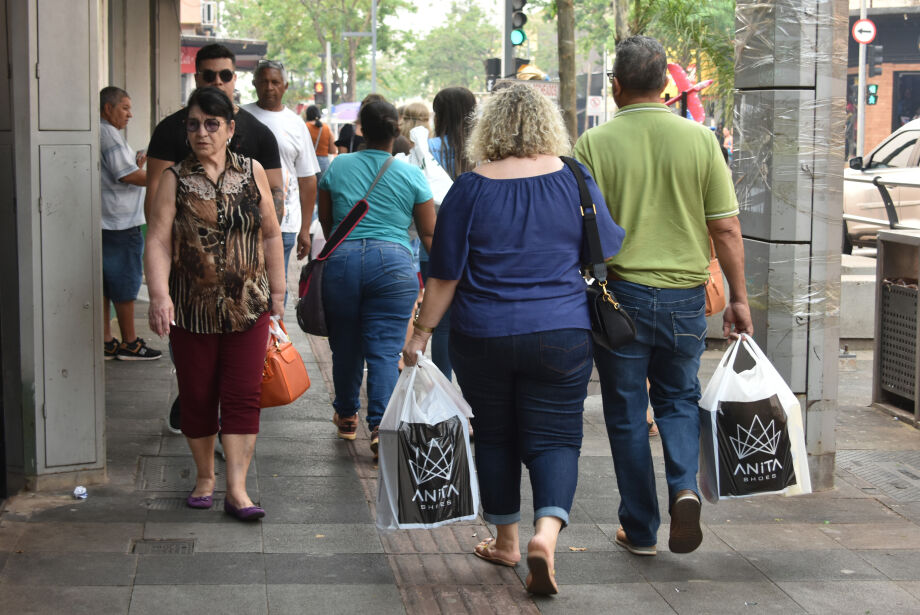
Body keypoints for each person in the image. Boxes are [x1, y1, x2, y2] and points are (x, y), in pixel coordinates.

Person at [403, 83, 624, 595]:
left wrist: (420, 335)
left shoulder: (470, 187)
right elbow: (605, 249)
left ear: (490, 128)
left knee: (496, 434)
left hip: (484, 335)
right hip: (562, 332)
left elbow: (444, 277)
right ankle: (545, 536)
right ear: (549, 125)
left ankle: (506, 541)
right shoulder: (575, 178)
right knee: (556, 437)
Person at [573, 35, 753, 557]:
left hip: (618, 299)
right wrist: (739, 298)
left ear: (616, 85)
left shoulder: (593, 144)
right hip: (684, 298)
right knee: (678, 399)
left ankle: (641, 527)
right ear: (667, 86)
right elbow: (726, 228)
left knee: (627, 412)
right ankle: (685, 488)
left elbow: (580, 232)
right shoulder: (700, 140)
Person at [144, 87, 285, 521]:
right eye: (193, 124)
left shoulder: (253, 171)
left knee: (243, 396)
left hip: (248, 306)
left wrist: (278, 295)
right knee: (198, 394)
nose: (201, 132)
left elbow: (270, 234)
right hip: (192, 308)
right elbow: (158, 240)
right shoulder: (174, 178)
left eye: (211, 124)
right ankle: (205, 476)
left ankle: (238, 490)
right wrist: (159, 295)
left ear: (230, 129)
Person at [318, 100, 436, 455]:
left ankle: (347, 415)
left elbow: (328, 224)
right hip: (394, 266)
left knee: (345, 345)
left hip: (342, 262)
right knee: (385, 351)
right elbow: (429, 234)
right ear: (396, 131)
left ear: (361, 130)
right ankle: (380, 427)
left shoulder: (339, 166)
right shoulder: (412, 174)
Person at [242, 59, 320, 298]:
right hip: (241, 218)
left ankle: (273, 334)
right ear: (254, 83)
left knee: (276, 287)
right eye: (264, 81)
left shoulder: (296, 125)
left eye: (275, 82)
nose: (269, 87)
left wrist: (305, 229)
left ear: (285, 86)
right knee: (245, 284)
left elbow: (308, 180)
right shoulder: (241, 117)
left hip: (284, 223)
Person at [99, 86, 161, 361]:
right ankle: (130, 343)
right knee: (125, 285)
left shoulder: (104, 133)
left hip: (110, 221)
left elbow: (124, 170)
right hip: (120, 224)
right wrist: (164, 175)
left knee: (106, 285)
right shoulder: (109, 134)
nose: (130, 114)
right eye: (124, 107)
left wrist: (138, 166)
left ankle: (106, 340)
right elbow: (127, 176)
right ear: (107, 108)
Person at [419, 86, 477, 380]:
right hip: (476, 247)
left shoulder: (427, 149)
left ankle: (443, 389)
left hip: (434, 244)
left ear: (438, 115)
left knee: (439, 322)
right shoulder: (481, 152)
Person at [305, 104, 334, 177]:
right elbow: (333, 150)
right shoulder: (326, 128)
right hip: (324, 162)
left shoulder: (304, 127)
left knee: (309, 187)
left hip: (308, 161)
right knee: (322, 187)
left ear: (307, 115)